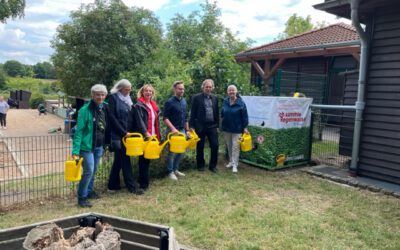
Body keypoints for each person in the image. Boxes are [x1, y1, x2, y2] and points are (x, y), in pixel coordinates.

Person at [72, 84, 108, 208]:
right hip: (86, 147)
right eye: (97, 94)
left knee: (93, 171)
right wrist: (75, 151)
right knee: (88, 171)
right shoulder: (84, 110)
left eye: (102, 94)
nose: (100, 97)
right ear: (92, 95)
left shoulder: (104, 108)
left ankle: (89, 191)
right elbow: (79, 132)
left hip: (99, 145)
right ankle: (82, 197)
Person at [107, 79, 143, 195]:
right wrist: (123, 132)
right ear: (120, 88)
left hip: (127, 135)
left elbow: (131, 117)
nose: (129, 90)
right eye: (127, 88)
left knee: (119, 160)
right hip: (118, 135)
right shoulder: (113, 98)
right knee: (125, 160)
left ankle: (112, 185)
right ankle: (132, 187)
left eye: (130, 88)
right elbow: (112, 118)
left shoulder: (128, 99)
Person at [189, 79, 219, 173]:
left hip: (212, 125)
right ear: (203, 87)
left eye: (210, 87)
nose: (208, 88)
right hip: (200, 125)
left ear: (212, 88)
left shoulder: (215, 98)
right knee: (200, 145)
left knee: (215, 145)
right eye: (207, 87)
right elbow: (192, 112)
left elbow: (216, 112)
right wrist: (191, 125)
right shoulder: (196, 98)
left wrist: (217, 125)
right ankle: (200, 165)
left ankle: (212, 166)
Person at [134, 84, 161, 190]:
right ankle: (143, 184)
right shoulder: (139, 105)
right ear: (142, 92)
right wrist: (146, 133)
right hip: (145, 136)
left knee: (148, 159)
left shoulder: (153, 105)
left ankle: (143, 181)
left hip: (153, 135)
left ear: (152, 93)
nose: (148, 92)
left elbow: (156, 122)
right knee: (143, 160)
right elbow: (140, 121)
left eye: (150, 91)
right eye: (146, 91)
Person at [163, 81, 189, 181]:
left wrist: (187, 130)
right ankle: (170, 172)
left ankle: (176, 169)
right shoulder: (169, 102)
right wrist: (173, 128)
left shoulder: (184, 101)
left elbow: (186, 117)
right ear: (175, 89)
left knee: (181, 151)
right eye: (179, 89)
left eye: (183, 89)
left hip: (182, 130)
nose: (182, 90)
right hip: (172, 131)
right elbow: (165, 118)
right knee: (172, 152)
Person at [221, 85, 249, 173]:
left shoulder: (241, 103)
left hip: (237, 128)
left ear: (236, 91)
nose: (231, 92)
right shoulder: (225, 101)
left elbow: (245, 116)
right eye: (229, 91)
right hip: (226, 128)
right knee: (229, 146)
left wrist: (245, 127)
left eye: (233, 90)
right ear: (227, 92)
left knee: (235, 147)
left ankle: (235, 165)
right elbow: (222, 113)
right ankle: (231, 161)